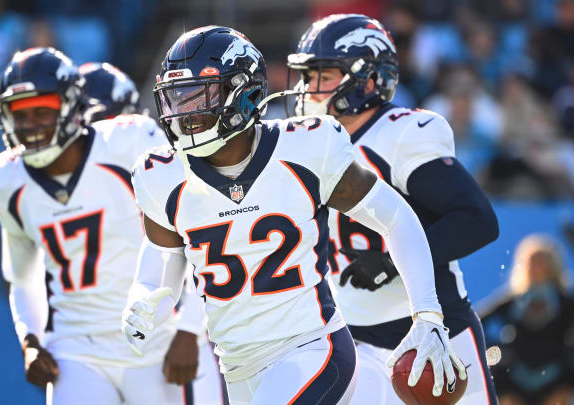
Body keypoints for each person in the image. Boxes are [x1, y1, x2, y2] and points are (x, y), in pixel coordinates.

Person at [122, 26, 466, 405]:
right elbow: (164, 258)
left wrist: (427, 314)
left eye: (198, 96)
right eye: (177, 98)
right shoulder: (161, 175)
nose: (186, 114)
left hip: (313, 350)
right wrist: (143, 294)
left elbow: (396, 217)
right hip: (236, 365)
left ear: (243, 91)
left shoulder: (304, 148)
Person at [286, 14, 500, 404]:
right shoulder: (308, 141)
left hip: (433, 329)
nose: (308, 89)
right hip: (354, 338)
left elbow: (477, 220)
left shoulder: (402, 133)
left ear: (367, 81)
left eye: (323, 75)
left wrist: (388, 261)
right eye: (306, 75)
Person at [0, 47, 190, 405]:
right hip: (76, 348)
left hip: (154, 337)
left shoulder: (128, 143)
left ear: (71, 106)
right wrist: (31, 340)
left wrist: (189, 329)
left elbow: (194, 236)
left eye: (42, 111)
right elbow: (22, 277)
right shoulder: (6, 178)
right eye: (20, 114)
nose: (30, 125)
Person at [79, 60, 227, 405]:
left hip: (164, 332)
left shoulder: (155, 167)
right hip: (99, 339)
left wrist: (190, 330)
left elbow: (200, 252)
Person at [480, 235, 574, 405]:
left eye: (542, 262)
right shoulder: (512, 301)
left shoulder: (565, 302)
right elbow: (477, 322)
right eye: (532, 262)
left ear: (553, 266)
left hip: (556, 378)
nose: (536, 267)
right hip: (513, 380)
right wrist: (497, 351)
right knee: (495, 368)